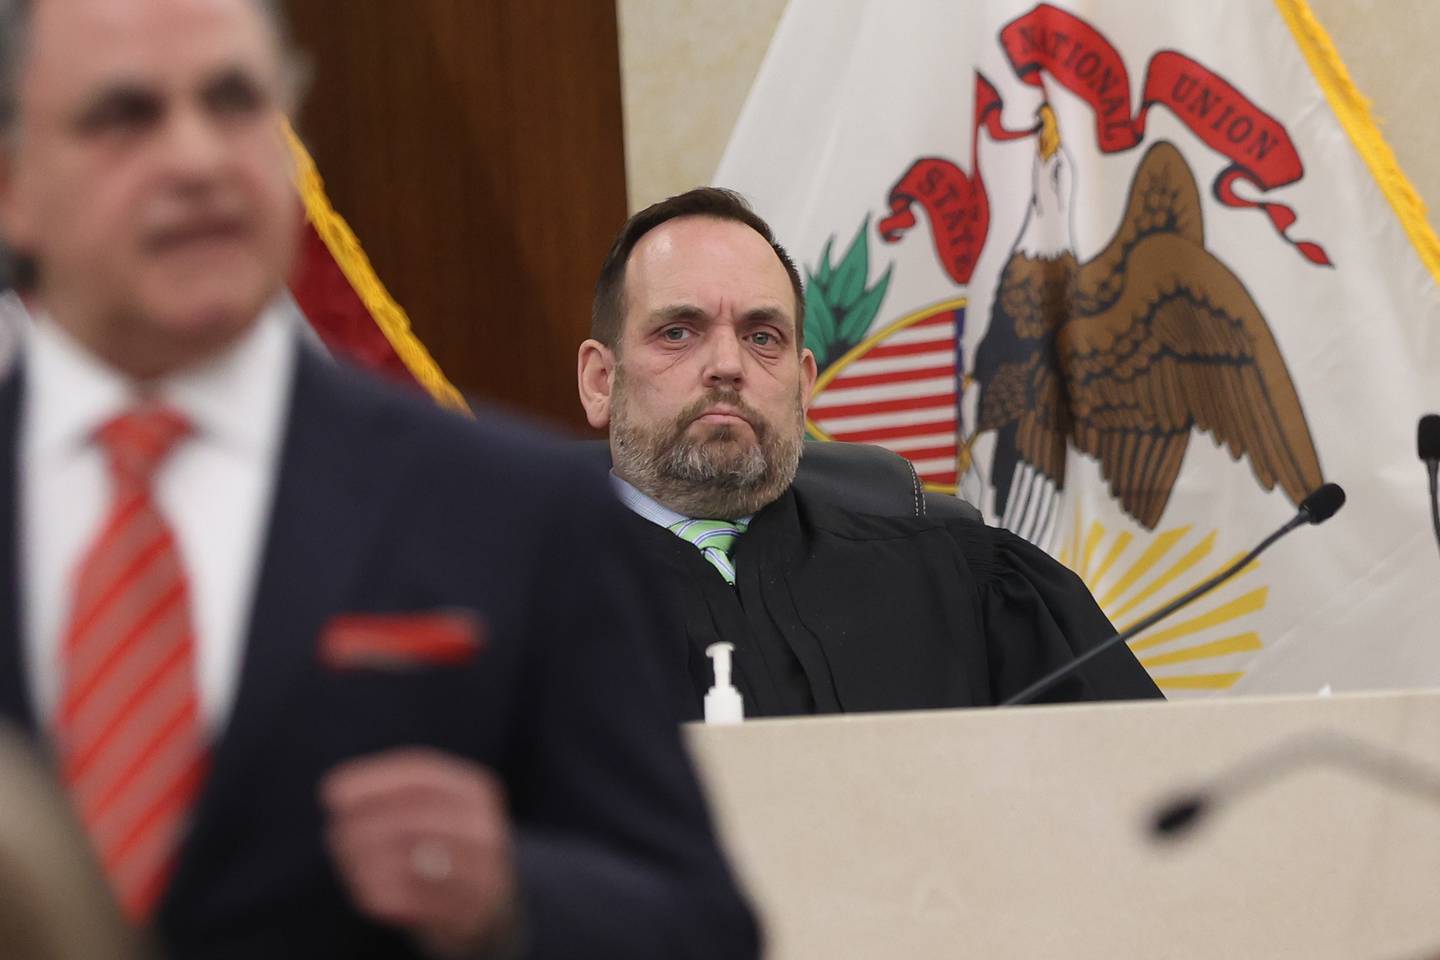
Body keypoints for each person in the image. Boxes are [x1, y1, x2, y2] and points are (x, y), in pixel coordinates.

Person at [0, 2, 757, 957]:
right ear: (13, 183)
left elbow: (701, 927)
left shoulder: (516, 515)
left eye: (235, 102)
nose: (193, 158)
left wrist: (514, 898)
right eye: (124, 114)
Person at [576, 187, 1163, 718]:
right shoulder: (523, 604)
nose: (728, 365)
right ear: (601, 380)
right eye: (678, 331)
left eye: (763, 337)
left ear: (804, 386)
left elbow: (1146, 793)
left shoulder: (965, 584)